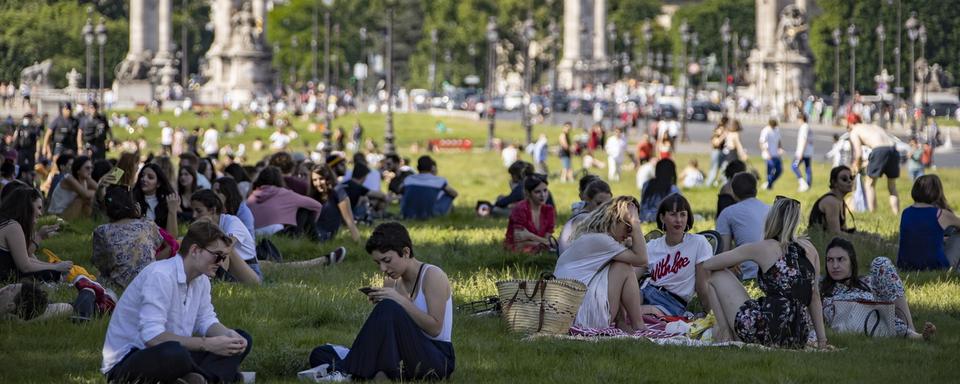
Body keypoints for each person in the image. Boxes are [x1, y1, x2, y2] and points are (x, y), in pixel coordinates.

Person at [101, 221, 253, 384]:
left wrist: (228, 336)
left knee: (242, 339)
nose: (221, 262)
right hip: (129, 360)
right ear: (195, 250)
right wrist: (207, 344)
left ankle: (200, 379)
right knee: (175, 353)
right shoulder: (160, 275)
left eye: (224, 257)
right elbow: (152, 337)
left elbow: (206, 320)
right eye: (217, 255)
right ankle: (218, 376)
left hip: (170, 351)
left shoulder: (201, 281)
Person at [308, 222, 454, 381]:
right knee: (321, 353)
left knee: (389, 307)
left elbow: (435, 329)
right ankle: (370, 373)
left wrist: (397, 300)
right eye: (378, 263)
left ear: (405, 252)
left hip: (436, 358)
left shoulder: (432, 276)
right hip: (402, 355)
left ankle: (347, 372)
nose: (383, 269)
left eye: (387, 260)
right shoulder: (392, 282)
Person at [703, 197, 828, 349]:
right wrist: (822, 341)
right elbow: (814, 297)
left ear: (771, 218)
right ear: (795, 221)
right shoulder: (810, 249)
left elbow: (709, 264)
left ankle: (725, 334)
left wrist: (733, 260)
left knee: (714, 275)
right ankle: (727, 333)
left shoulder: (763, 247)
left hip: (766, 329)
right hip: (797, 335)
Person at [555, 196, 651, 332]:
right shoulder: (601, 240)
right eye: (627, 226)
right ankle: (638, 325)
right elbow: (642, 259)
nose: (630, 233)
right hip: (583, 319)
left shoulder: (593, 236)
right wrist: (635, 222)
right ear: (614, 219)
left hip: (569, 314)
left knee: (620, 265)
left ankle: (622, 323)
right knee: (624, 267)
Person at [821, 237, 935, 340]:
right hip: (852, 320)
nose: (834, 266)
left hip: (879, 312)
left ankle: (910, 329)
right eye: (830, 260)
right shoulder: (821, 288)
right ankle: (911, 335)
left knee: (881, 262)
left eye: (840, 259)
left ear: (852, 261)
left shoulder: (867, 282)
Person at [643, 194, 714, 316]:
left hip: (673, 304)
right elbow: (631, 275)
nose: (679, 220)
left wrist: (710, 315)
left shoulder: (698, 243)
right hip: (646, 292)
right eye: (673, 214)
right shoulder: (652, 246)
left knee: (631, 312)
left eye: (682, 214)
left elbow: (703, 285)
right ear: (662, 217)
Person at [92, 186, 167, 289]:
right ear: (134, 205)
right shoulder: (147, 224)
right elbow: (160, 244)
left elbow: (101, 264)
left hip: (120, 285)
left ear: (107, 208)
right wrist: (139, 217)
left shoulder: (102, 231)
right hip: (149, 282)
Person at [0, 188, 72, 282]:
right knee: (51, 275)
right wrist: (56, 267)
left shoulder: (8, 223)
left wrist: (55, 266)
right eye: (39, 208)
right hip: (6, 280)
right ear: (27, 206)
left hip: (9, 277)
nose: (40, 213)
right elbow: (25, 266)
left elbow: (26, 258)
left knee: (54, 273)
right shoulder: (13, 226)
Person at [190, 190, 262, 283]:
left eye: (198, 211)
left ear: (213, 210)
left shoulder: (232, 221)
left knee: (226, 245)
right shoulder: (205, 227)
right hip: (230, 271)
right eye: (192, 211)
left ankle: (215, 282)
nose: (194, 215)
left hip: (250, 272)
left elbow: (226, 246)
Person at [897, 175, 960, 271]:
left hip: (906, 266)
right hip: (936, 267)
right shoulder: (941, 214)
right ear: (937, 192)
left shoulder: (906, 212)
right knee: (957, 235)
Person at [716, 172, 769, 280]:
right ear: (756, 190)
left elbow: (723, 253)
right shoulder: (771, 209)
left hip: (746, 275)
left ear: (733, 193)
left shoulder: (727, 213)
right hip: (774, 273)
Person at [246, 166, 323, 237]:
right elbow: (317, 206)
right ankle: (314, 238)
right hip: (276, 233)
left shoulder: (252, 196)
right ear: (280, 179)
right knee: (304, 210)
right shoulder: (284, 193)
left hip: (254, 234)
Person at [849, 123, 900, 214]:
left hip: (879, 150)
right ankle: (896, 213)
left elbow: (858, 155)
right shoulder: (875, 126)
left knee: (869, 185)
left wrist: (856, 167)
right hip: (893, 149)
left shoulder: (854, 131)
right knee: (892, 186)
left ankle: (873, 213)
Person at [307, 164, 361, 242]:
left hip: (324, 236)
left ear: (328, 178)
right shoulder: (313, 195)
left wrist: (358, 244)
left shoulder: (338, 191)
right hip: (309, 234)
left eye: (321, 179)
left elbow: (350, 222)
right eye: (315, 180)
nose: (318, 183)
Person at [558, 179, 612, 255]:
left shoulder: (589, 216)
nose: (604, 208)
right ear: (588, 200)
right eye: (599, 203)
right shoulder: (584, 218)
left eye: (608, 204)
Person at [504, 175, 556, 253]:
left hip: (538, 250)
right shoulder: (520, 209)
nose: (543, 195)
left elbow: (547, 241)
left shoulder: (549, 210)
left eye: (545, 190)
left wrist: (530, 236)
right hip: (517, 250)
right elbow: (518, 242)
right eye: (537, 192)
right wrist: (544, 242)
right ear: (528, 193)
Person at [132, 163, 180, 236]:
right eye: (142, 176)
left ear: (158, 183)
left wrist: (172, 211)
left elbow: (172, 238)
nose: (144, 179)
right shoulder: (132, 199)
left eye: (150, 177)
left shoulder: (167, 202)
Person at [808, 166, 856, 235]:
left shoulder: (840, 200)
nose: (849, 181)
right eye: (844, 179)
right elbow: (835, 233)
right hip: (819, 243)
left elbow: (844, 229)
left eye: (851, 178)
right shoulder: (831, 202)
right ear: (834, 183)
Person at [47, 155, 96, 220]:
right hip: (57, 215)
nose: (90, 170)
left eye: (91, 168)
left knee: (88, 199)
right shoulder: (69, 178)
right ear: (78, 170)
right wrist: (97, 192)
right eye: (87, 168)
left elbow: (101, 190)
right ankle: (83, 221)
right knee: (82, 199)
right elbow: (85, 194)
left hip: (68, 211)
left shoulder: (86, 179)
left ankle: (85, 222)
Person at [759, 118, 783, 190]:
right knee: (770, 171)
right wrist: (766, 152)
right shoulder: (765, 130)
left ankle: (769, 183)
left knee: (779, 170)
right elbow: (761, 142)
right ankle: (769, 186)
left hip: (776, 154)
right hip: (768, 155)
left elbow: (779, 141)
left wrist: (780, 148)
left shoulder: (777, 130)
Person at [792, 114, 814, 192]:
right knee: (807, 168)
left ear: (801, 119)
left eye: (798, 120)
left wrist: (801, 152)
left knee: (794, 166)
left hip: (803, 152)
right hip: (809, 151)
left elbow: (804, 140)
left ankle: (802, 183)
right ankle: (808, 185)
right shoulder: (808, 127)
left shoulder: (804, 127)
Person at [705, 117, 728, 187]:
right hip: (717, 151)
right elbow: (716, 143)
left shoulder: (721, 129)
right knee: (714, 169)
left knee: (724, 168)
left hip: (722, 152)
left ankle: (724, 183)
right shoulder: (719, 130)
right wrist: (723, 136)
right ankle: (708, 184)